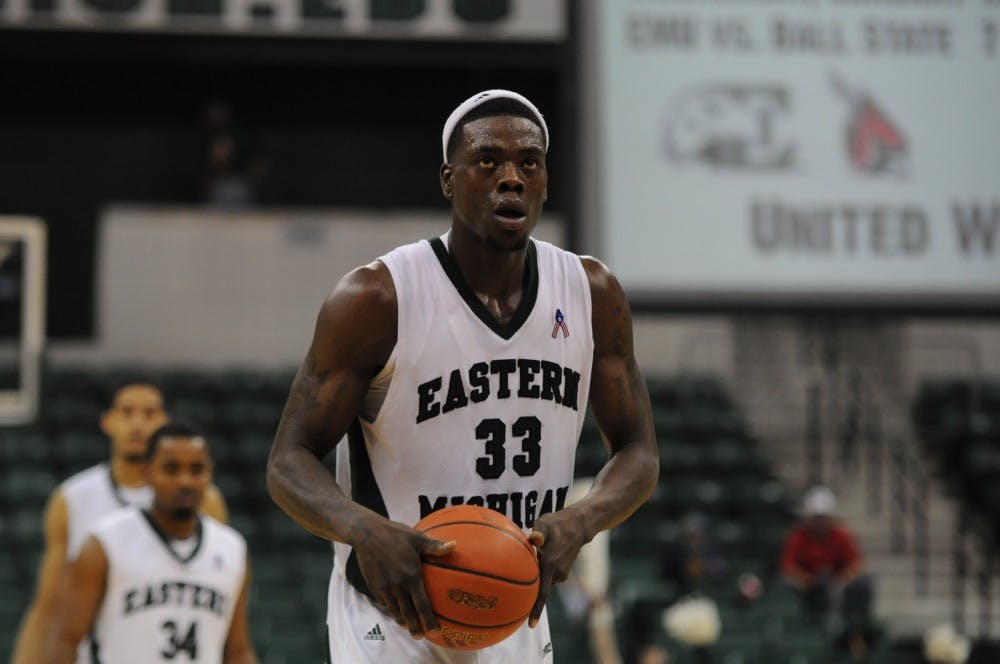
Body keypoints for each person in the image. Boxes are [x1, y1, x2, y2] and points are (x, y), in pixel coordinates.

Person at [266, 89, 659, 663]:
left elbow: (640, 451)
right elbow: (287, 461)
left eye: (530, 163)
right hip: (394, 615)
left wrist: (582, 519)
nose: (511, 178)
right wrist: (363, 530)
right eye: (488, 161)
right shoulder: (377, 298)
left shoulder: (591, 293)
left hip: (512, 606)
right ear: (449, 179)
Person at [11, 380, 229, 664]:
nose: (138, 423)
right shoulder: (72, 499)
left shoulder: (203, 500)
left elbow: (224, 599)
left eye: (149, 414)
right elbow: (47, 605)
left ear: (164, 422)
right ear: (108, 421)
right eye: (127, 412)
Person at [46, 421, 256, 663]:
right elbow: (65, 641)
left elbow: (238, 651)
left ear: (210, 474)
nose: (185, 481)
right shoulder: (104, 544)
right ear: (147, 473)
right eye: (171, 469)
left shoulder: (232, 549)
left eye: (196, 469)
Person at [780, 485, 876, 661]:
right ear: (808, 518)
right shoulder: (799, 536)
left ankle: (857, 635)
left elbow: (856, 564)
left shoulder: (840, 534)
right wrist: (808, 580)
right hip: (807, 586)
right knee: (782, 586)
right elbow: (788, 567)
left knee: (864, 585)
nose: (820, 522)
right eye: (816, 518)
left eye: (824, 518)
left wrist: (839, 580)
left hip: (838, 587)